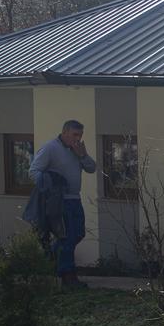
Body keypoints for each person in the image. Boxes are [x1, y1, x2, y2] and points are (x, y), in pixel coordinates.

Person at [29, 120, 96, 288]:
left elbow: (92, 168)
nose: (78, 138)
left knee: (78, 233)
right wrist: (50, 183)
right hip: (59, 201)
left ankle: (50, 258)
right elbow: (33, 171)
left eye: (80, 135)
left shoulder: (77, 149)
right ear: (65, 132)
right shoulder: (50, 148)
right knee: (67, 237)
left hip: (75, 198)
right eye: (75, 135)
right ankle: (68, 277)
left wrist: (82, 155)